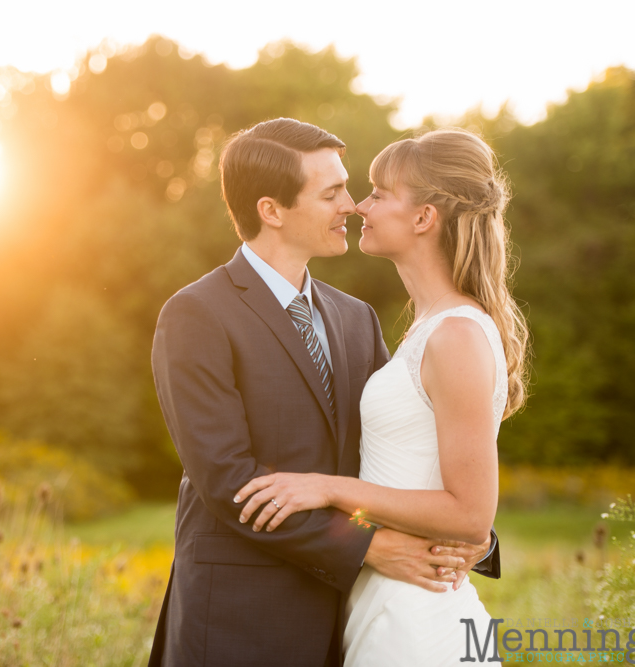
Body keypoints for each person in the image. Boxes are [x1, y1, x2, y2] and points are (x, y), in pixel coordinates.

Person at [148, 119, 499, 667]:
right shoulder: (198, 313)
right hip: (240, 615)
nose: (353, 205)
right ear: (272, 210)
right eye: (332, 192)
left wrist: (466, 535)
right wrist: (373, 547)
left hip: (345, 616)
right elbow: (228, 480)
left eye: (354, 189)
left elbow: (387, 455)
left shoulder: (354, 318)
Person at [234, 128, 527, 665]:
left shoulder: (456, 334)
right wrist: (367, 540)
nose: (359, 205)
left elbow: (469, 517)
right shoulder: (426, 328)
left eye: (379, 192)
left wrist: (325, 488)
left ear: (423, 218)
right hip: (385, 597)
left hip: (416, 619)